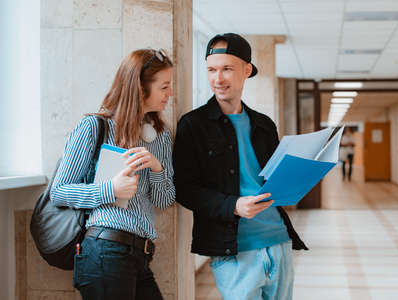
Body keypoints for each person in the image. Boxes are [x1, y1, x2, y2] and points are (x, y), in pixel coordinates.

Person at [173, 33, 307, 300]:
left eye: (226, 69)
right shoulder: (193, 125)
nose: (217, 79)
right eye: (211, 70)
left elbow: (275, 178)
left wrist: (296, 179)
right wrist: (234, 205)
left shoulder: (264, 124)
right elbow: (184, 189)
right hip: (233, 250)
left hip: (278, 240)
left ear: (246, 70)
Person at [50, 48, 176, 300]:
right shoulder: (94, 128)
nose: (170, 93)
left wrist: (157, 168)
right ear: (140, 88)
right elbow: (59, 192)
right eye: (164, 86)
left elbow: (165, 200)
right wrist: (111, 189)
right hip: (105, 251)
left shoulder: (159, 137)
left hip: (141, 255)